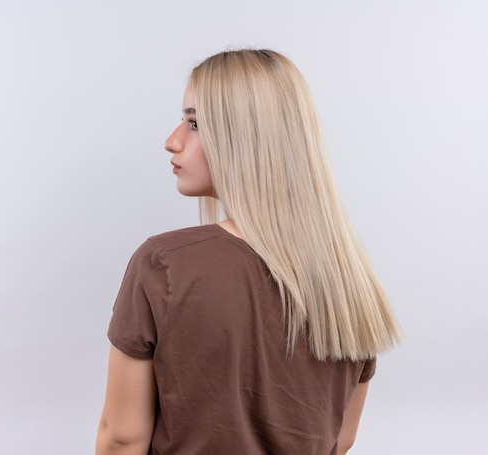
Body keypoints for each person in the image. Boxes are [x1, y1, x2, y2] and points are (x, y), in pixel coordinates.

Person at [95, 49, 401, 455]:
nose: (172, 141)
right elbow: (340, 441)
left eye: (194, 123)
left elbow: (122, 439)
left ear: (245, 136)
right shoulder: (349, 282)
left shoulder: (164, 265)